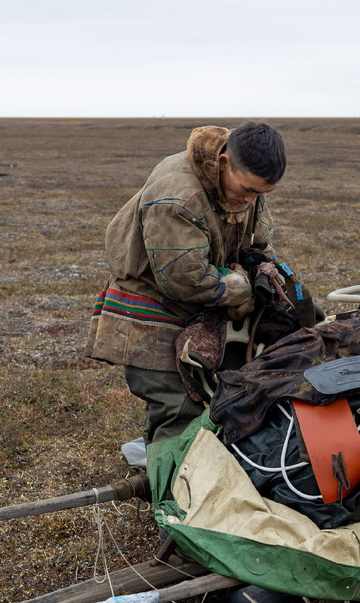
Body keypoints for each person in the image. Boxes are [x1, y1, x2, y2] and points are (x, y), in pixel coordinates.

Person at [85, 121, 286, 446]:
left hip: (198, 308)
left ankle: (162, 464)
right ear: (224, 163)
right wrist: (240, 287)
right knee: (179, 409)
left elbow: (258, 239)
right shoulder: (177, 197)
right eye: (249, 190)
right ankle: (173, 491)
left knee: (205, 406)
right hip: (151, 310)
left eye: (263, 193)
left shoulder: (242, 184)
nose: (253, 200)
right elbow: (185, 279)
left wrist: (262, 266)